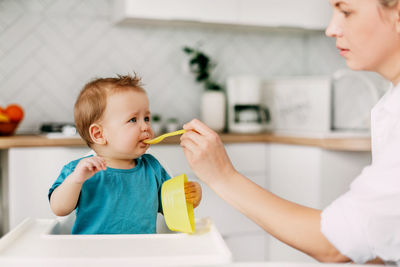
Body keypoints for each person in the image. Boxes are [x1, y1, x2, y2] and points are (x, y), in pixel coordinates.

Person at [180, 0, 400, 264]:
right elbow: (376, 237)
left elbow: (335, 245)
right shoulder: (389, 105)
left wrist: (223, 176)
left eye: (346, 11)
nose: (331, 29)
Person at [48, 74, 202, 234]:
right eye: (133, 120)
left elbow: (170, 207)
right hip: (92, 254)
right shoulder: (79, 170)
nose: (146, 127)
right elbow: (58, 208)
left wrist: (189, 196)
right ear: (99, 134)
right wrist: (76, 180)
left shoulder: (153, 168)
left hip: (140, 254)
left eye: (147, 118)